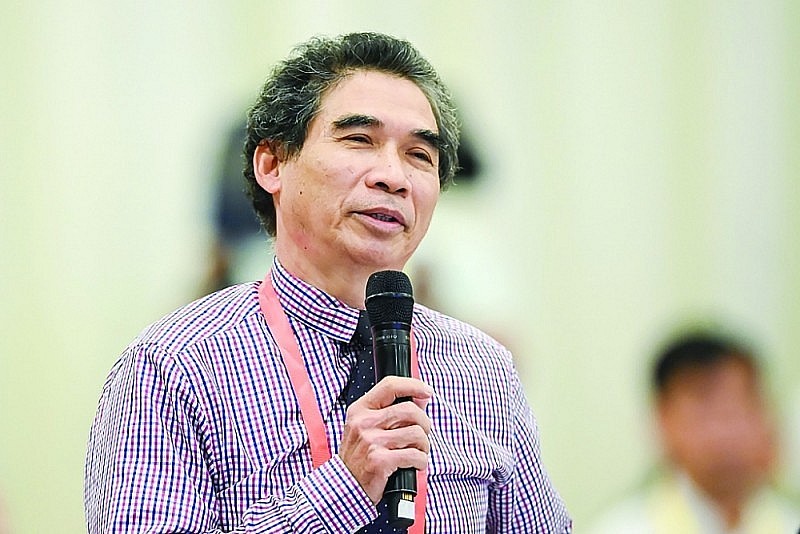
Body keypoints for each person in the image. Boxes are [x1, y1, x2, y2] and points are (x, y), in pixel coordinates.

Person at [84, 32, 572, 533]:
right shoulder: (174, 367)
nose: (393, 176)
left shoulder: (484, 369)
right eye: (359, 140)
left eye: (419, 155)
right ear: (272, 164)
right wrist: (344, 488)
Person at [588, 330, 800, 534]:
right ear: (662, 420)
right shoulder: (623, 529)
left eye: (741, 405)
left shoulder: (790, 522)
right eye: (707, 408)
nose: (728, 430)